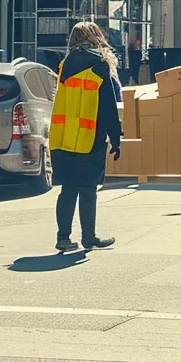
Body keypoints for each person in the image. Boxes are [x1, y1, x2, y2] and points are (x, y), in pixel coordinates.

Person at [48, 22, 124, 252]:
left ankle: (63, 238)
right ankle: (89, 238)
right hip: (89, 138)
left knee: (68, 189)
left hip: (62, 138)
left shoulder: (64, 66)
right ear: (96, 37)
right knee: (88, 190)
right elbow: (108, 106)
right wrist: (116, 138)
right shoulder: (99, 66)